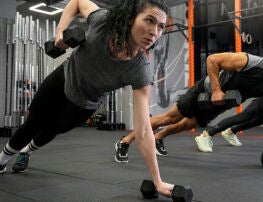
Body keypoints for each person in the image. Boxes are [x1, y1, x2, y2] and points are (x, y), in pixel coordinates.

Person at [0, 0, 175, 197]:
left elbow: (143, 130)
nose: (154, 32)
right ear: (130, 19)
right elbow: (76, 2)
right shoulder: (102, 22)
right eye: (149, 20)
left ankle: (26, 152)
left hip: (85, 102)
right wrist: (60, 30)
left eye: (160, 26)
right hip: (64, 77)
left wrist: (158, 181)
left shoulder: (140, 71)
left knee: (52, 129)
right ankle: (2, 159)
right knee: (32, 123)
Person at [115, 37, 263, 166]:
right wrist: (217, 89)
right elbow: (213, 60)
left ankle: (158, 138)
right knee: (169, 118)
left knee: (187, 125)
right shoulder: (248, 61)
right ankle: (125, 141)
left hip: (220, 104)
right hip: (204, 92)